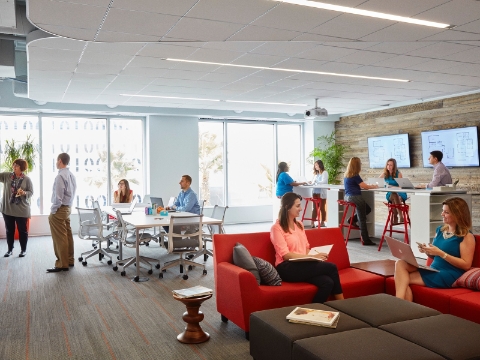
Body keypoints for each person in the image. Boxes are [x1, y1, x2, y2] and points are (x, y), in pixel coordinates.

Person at [394, 197, 475, 301]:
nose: (442, 214)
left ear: (457, 215)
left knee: (402, 280)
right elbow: (435, 254)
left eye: (446, 212)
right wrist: (428, 252)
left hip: (449, 274)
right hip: (433, 269)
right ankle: (402, 307)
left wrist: (441, 254)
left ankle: (398, 303)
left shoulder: (466, 236)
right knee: (400, 263)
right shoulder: (440, 230)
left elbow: (466, 265)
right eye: (443, 211)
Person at [270, 192, 344, 303]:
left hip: (302, 265)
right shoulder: (276, 228)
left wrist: (316, 255)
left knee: (328, 282)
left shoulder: (299, 224)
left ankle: (312, 310)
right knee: (331, 267)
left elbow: (306, 248)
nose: (301, 208)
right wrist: (310, 258)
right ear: (287, 207)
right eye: (297, 206)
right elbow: (286, 256)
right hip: (286, 268)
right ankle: (343, 304)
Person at [47, 153, 77, 273]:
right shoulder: (71, 175)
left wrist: (53, 210)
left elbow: (58, 197)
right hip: (68, 208)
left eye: (56, 160)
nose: (56, 162)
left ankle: (62, 264)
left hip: (60, 209)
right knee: (67, 235)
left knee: (60, 237)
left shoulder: (60, 177)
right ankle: (69, 260)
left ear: (60, 161)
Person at [0, 159, 34, 257]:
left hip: (21, 209)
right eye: (14, 165)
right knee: (9, 230)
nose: (14, 167)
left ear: (22, 167)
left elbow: (31, 192)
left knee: (22, 231)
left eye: (17, 165)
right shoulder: (7, 176)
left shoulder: (27, 179)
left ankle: (23, 250)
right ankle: (10, 250)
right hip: (8, 209)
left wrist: (24, 193)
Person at [344, 157, 378, 246]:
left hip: (348, 197)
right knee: (362, 219)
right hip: (356, 197)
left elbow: (361, 185)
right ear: (357, 166)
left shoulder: (347, 175)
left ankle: (352, 219)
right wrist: (374, 186)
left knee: (367, 209)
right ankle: (366, 240)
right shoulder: (355, 175)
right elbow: (365, 186)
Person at [380, 158, 407, 224]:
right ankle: (401, 216)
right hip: (390, 193)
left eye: (391, 165)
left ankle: (395, 216)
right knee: (394, 194)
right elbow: (377, 182)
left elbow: (401, 187)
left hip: (400, 193)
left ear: (394, 166)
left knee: (395, 196)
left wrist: (392, 187)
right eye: (388, 165)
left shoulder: (398, 174)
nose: (389, 166)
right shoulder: (385, 174)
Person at [309, 160, 328, 228]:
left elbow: (324, 182)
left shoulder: (325, 172)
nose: (315, 166)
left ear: (320, 165)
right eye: (315, 165)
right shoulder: (316, 174)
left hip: (321, 193)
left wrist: (316, 181)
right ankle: (312, 222)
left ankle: (322, 222)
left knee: (322, 208)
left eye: (316, 165)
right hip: (315, 192)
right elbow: (313, 181)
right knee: (315, 208)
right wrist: (311, 182)